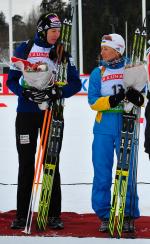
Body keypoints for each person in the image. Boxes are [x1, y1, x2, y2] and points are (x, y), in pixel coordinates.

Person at [7, 13, 81, 230]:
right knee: (26, 163)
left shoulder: (62, 53)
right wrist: (25, 93)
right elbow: (11, 80)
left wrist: (58, 91)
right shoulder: (25, 48)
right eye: (52, 31)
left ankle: (52, 214)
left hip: (53, 113)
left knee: (51, 162)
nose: (56, 35)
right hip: (27, 114)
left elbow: (75, 84)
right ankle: (22, 214)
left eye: (58, 31)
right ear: (42, 30)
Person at [88, 33, 143, 233]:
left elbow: (144, 97)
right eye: (102, 48)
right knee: (102, 172)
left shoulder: (134, 68)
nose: (102, 52)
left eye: (106, 48)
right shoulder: (98, 72)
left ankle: (128, 213)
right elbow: (93, 102)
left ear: (118, 50)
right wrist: (114, 99)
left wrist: (138, 98)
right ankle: (104, 213)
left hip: (127, 123)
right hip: (104, 126)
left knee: (127, 171)